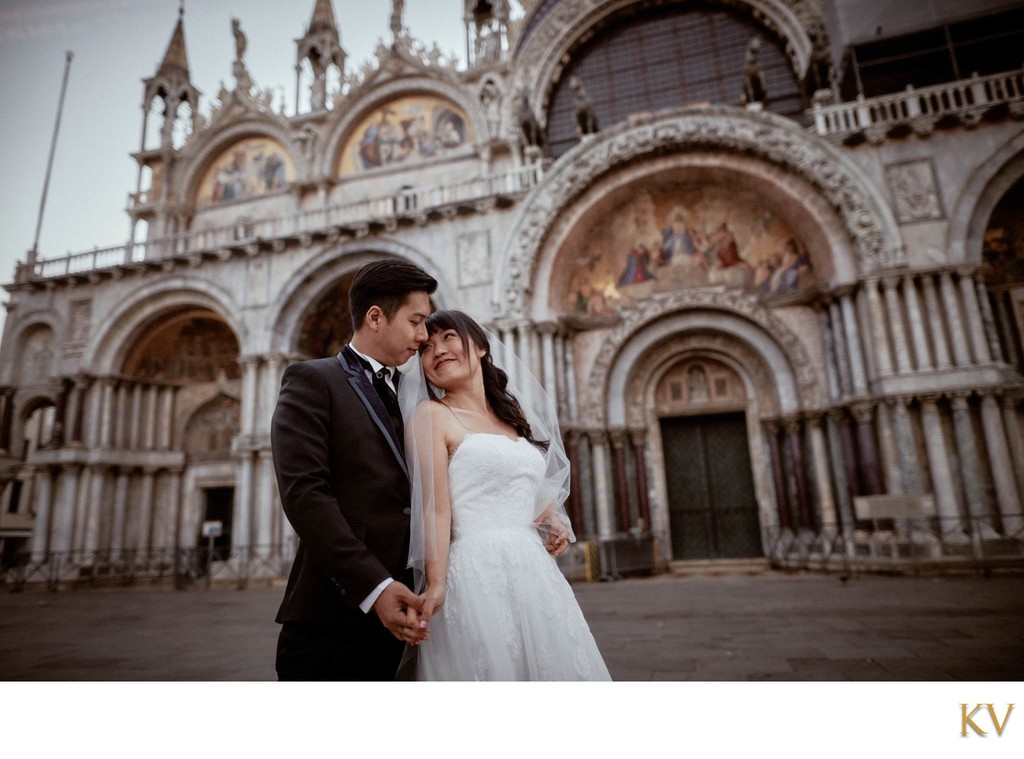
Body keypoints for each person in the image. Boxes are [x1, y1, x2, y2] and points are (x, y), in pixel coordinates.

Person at [399, 309, 611, 680]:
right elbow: (434, 508)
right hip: (476, 569)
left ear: (480, 346)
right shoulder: (431, 415)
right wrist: (435, 583)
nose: (438, 350)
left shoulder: (510, 418)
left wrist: (550, 516)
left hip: (533, 570)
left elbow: (518, 479)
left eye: (449, 337)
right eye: (427, 347)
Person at [271, 259, 438, 680]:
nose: (424, 336)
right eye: (416, 321)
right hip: (336, 618)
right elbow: (305, 494)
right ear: (375, 317)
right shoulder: (312, 380)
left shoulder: (419, 394)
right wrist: (375, 588)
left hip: (421, 620)